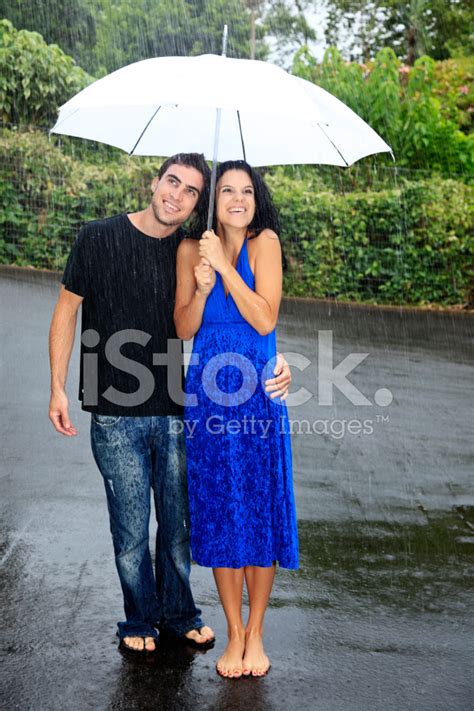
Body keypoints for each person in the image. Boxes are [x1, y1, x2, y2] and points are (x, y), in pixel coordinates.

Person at [48, 153, 292, 655]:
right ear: (155, 182)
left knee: (187, 524)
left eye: (192, 191)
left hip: (205, 402)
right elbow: (76, 312)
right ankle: (146, 619)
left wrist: (274, 353)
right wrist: (56, 386)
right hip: (146, 403)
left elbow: (259, 320)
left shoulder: (225, 245)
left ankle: (195, 618)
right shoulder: (121, 241)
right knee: (147, 524)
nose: (177, 196)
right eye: (173, 183)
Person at [174, 160, 299, 678]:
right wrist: (203, 286)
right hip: (207, 395)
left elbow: (265, 317)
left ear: (256, 198)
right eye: (227, 190)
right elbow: (183, 329)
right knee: (224, 513)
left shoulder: (263, 243)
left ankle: (257, 632)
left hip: (259, 394)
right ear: (213, 200)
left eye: (247, 191)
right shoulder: (190, 249)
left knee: (260, 514)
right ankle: (233, 631)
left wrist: (225, 269)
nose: (238, 199)